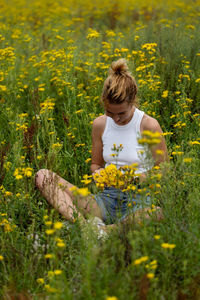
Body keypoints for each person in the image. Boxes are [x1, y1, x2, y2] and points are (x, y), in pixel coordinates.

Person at [35, 58, 168, 231]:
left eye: (122, 113)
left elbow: (164, 170)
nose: (116, 118)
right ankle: (86, 228)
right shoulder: (100, 124)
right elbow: (96, 164)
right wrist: (98, 174)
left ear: (133, 100)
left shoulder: (148, 125)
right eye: (109, 112)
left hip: (139, 200)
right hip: (106, 199)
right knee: (42, 176)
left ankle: (105, 231)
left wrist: (132, 179)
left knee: (156, 213)